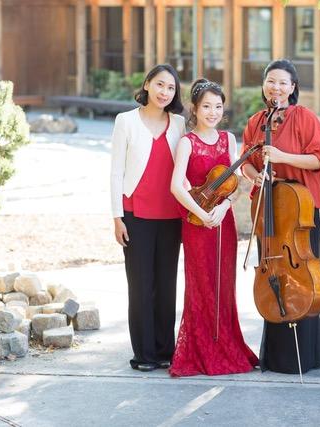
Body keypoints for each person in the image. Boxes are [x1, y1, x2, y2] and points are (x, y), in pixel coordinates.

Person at [240, 59, 320, 374]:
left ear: (292, 88)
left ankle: (306, 355)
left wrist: (282, 157)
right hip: (271, 210)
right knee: (274, 269)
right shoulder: (256, 122)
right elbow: (247, 160)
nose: (276, 88)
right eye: (271, 82)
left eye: (283, 83)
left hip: (299, 210)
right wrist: (255, 177)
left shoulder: (304, 117)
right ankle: (276, 355)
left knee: (305, 273)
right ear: (264, 86)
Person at [169, 79, 258, 377]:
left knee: (223, 286)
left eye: (217, 106)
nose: (212, 112)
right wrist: (202, 213)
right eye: (206, 106)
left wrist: (223, 207)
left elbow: (233, 186)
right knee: (201, 287)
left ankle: (226, 344)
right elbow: (176, 186)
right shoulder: (187, 142)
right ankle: (202, 350)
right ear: (194, 108)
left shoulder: (227, 140)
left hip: (224, 223)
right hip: (196, 224)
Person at [110, 64, 186, 372]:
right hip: (135, 215)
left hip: (172, 217)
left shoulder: (180, 123)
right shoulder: (125, 121)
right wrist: (117, 217)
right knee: (140, 285)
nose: (164, 92)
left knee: (166, 284)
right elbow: (116, 171)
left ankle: (165, 349)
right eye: (159, 85)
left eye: (170, 88)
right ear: (147, 85)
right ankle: (144, 354)